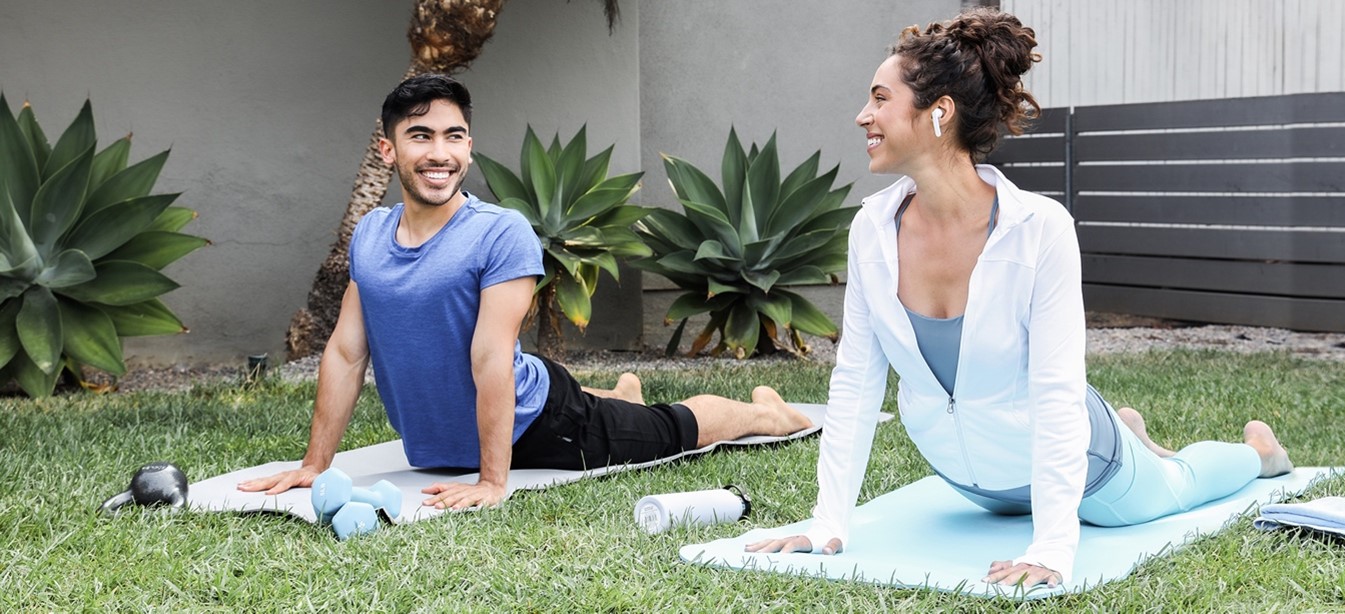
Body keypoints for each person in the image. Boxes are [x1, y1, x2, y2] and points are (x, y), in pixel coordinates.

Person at [744, 8, 1292, 588]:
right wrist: (828, 521)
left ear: (940, 112)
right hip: (971, 480)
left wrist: (1053, 547)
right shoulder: (872, 229)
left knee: (1176, 485)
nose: (863, 116)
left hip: (1084, 470)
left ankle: (1257, 452)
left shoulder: (1038, 229)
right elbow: (856, 381)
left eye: (880, 99)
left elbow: (1056, 393)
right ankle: (1129, 429)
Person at [239, 74, 812, 510]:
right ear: (388, 151)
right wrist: (315, 464)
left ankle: (764, 414)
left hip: (537, 423)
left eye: (453, 136)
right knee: (584, 395)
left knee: (668, 432)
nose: (439, 153)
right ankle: (621, 392)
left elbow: (491, 356)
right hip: (446, 440)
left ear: (468, 147)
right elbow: (345, 351)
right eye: (420, 136)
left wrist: (493, 481)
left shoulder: (498, 231)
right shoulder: (370, 235)